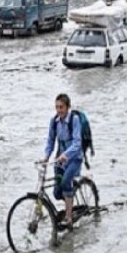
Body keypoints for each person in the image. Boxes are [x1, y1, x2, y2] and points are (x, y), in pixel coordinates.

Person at [43, 93, 82, 231]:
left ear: (68, 107)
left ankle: (69, 217)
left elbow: (77, 143)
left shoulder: (74, 120)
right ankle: (69, 200)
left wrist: (66, 155)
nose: (59, 110)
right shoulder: (54, 122)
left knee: (65, 182)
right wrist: (46, 157)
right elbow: (50, 141)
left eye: (61, 107)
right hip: (60, 159)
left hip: (74, 158)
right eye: (57, 107)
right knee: (57, 193)